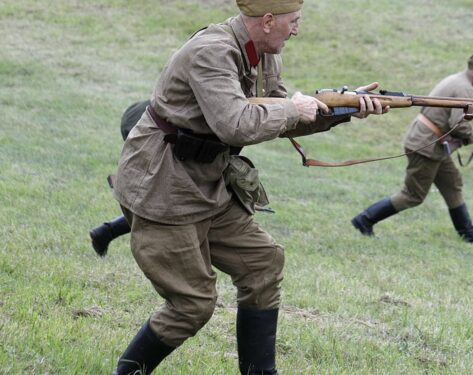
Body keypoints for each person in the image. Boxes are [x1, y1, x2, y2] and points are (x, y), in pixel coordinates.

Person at [109, 0, 386, 374]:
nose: (297, 30)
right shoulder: (212, 52)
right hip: (163, 187)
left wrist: (342, 109)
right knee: (192, 305)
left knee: (262, 263)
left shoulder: (265, 54)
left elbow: (277, 118)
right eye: (294, 21)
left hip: (208, 182)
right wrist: (294, 107)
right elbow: (236, 124)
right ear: (268, 20)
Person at [351, 53, 473, 243]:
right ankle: (364, 219)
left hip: (432, 142)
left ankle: (467, 232)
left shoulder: (456, 80)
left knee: (452, 183)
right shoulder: (464, 89)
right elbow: (459, 124)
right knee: (413, 195)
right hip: (426, 145)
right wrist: (472, 136)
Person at [89, 100, 148, 257]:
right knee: (157, 200)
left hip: (139, 120)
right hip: (146, 126)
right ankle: (107, 232)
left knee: (155, 199)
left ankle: (106, 232)